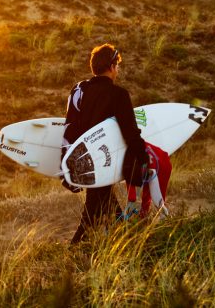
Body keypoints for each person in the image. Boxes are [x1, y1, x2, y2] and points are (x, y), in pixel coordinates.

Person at [61, 43, 150, 244]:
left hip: (82, 161)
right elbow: (130, 132)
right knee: (91, 214)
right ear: (111, 67)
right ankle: (74, 252)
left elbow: (70, 127)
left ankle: (122, 241)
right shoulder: (118, 94)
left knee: (104, 205)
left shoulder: (80, 91)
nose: (117, 71)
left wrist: (67, 166)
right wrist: (144, 157)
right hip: (104, 161)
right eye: (117, 66)